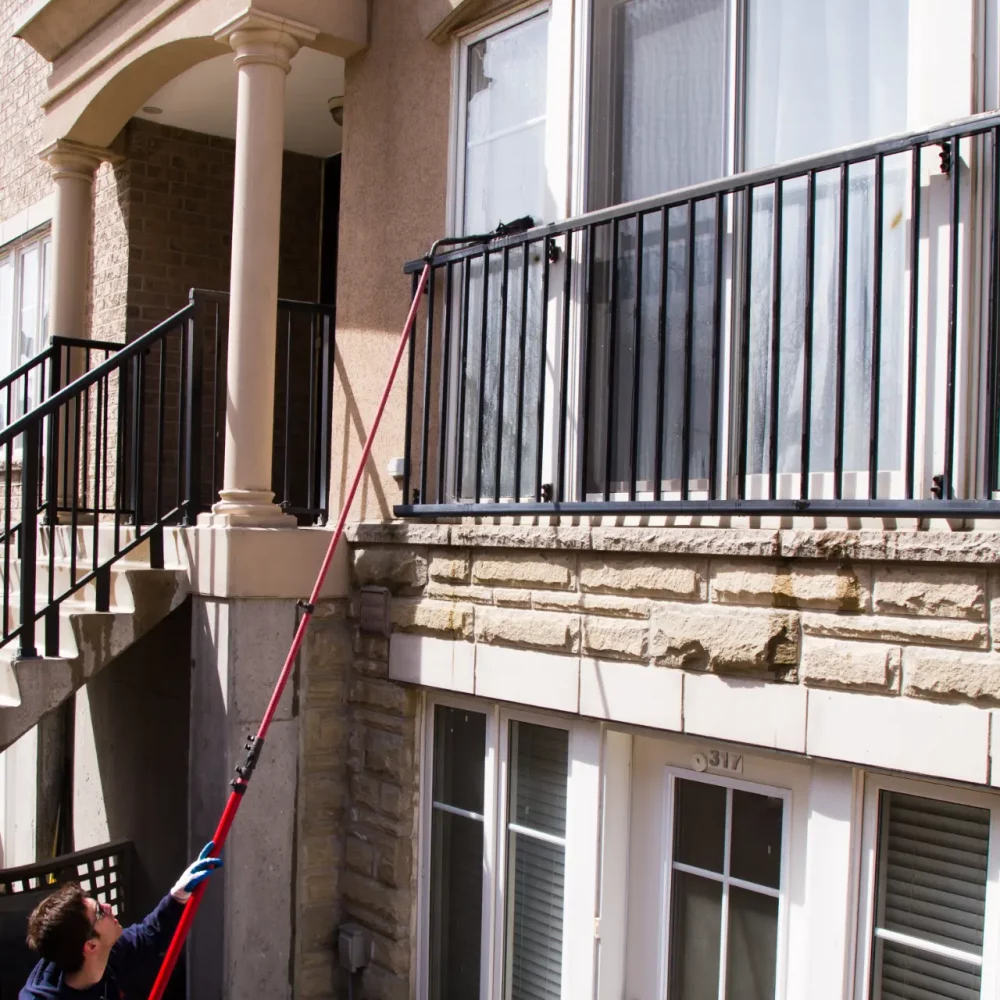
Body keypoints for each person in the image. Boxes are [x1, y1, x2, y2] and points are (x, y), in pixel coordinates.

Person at [18, 842, 223, 999]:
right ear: (90, 945)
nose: (107, 907)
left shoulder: (104, 952)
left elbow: (146, 937)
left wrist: (178, 896)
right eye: (99, 912)